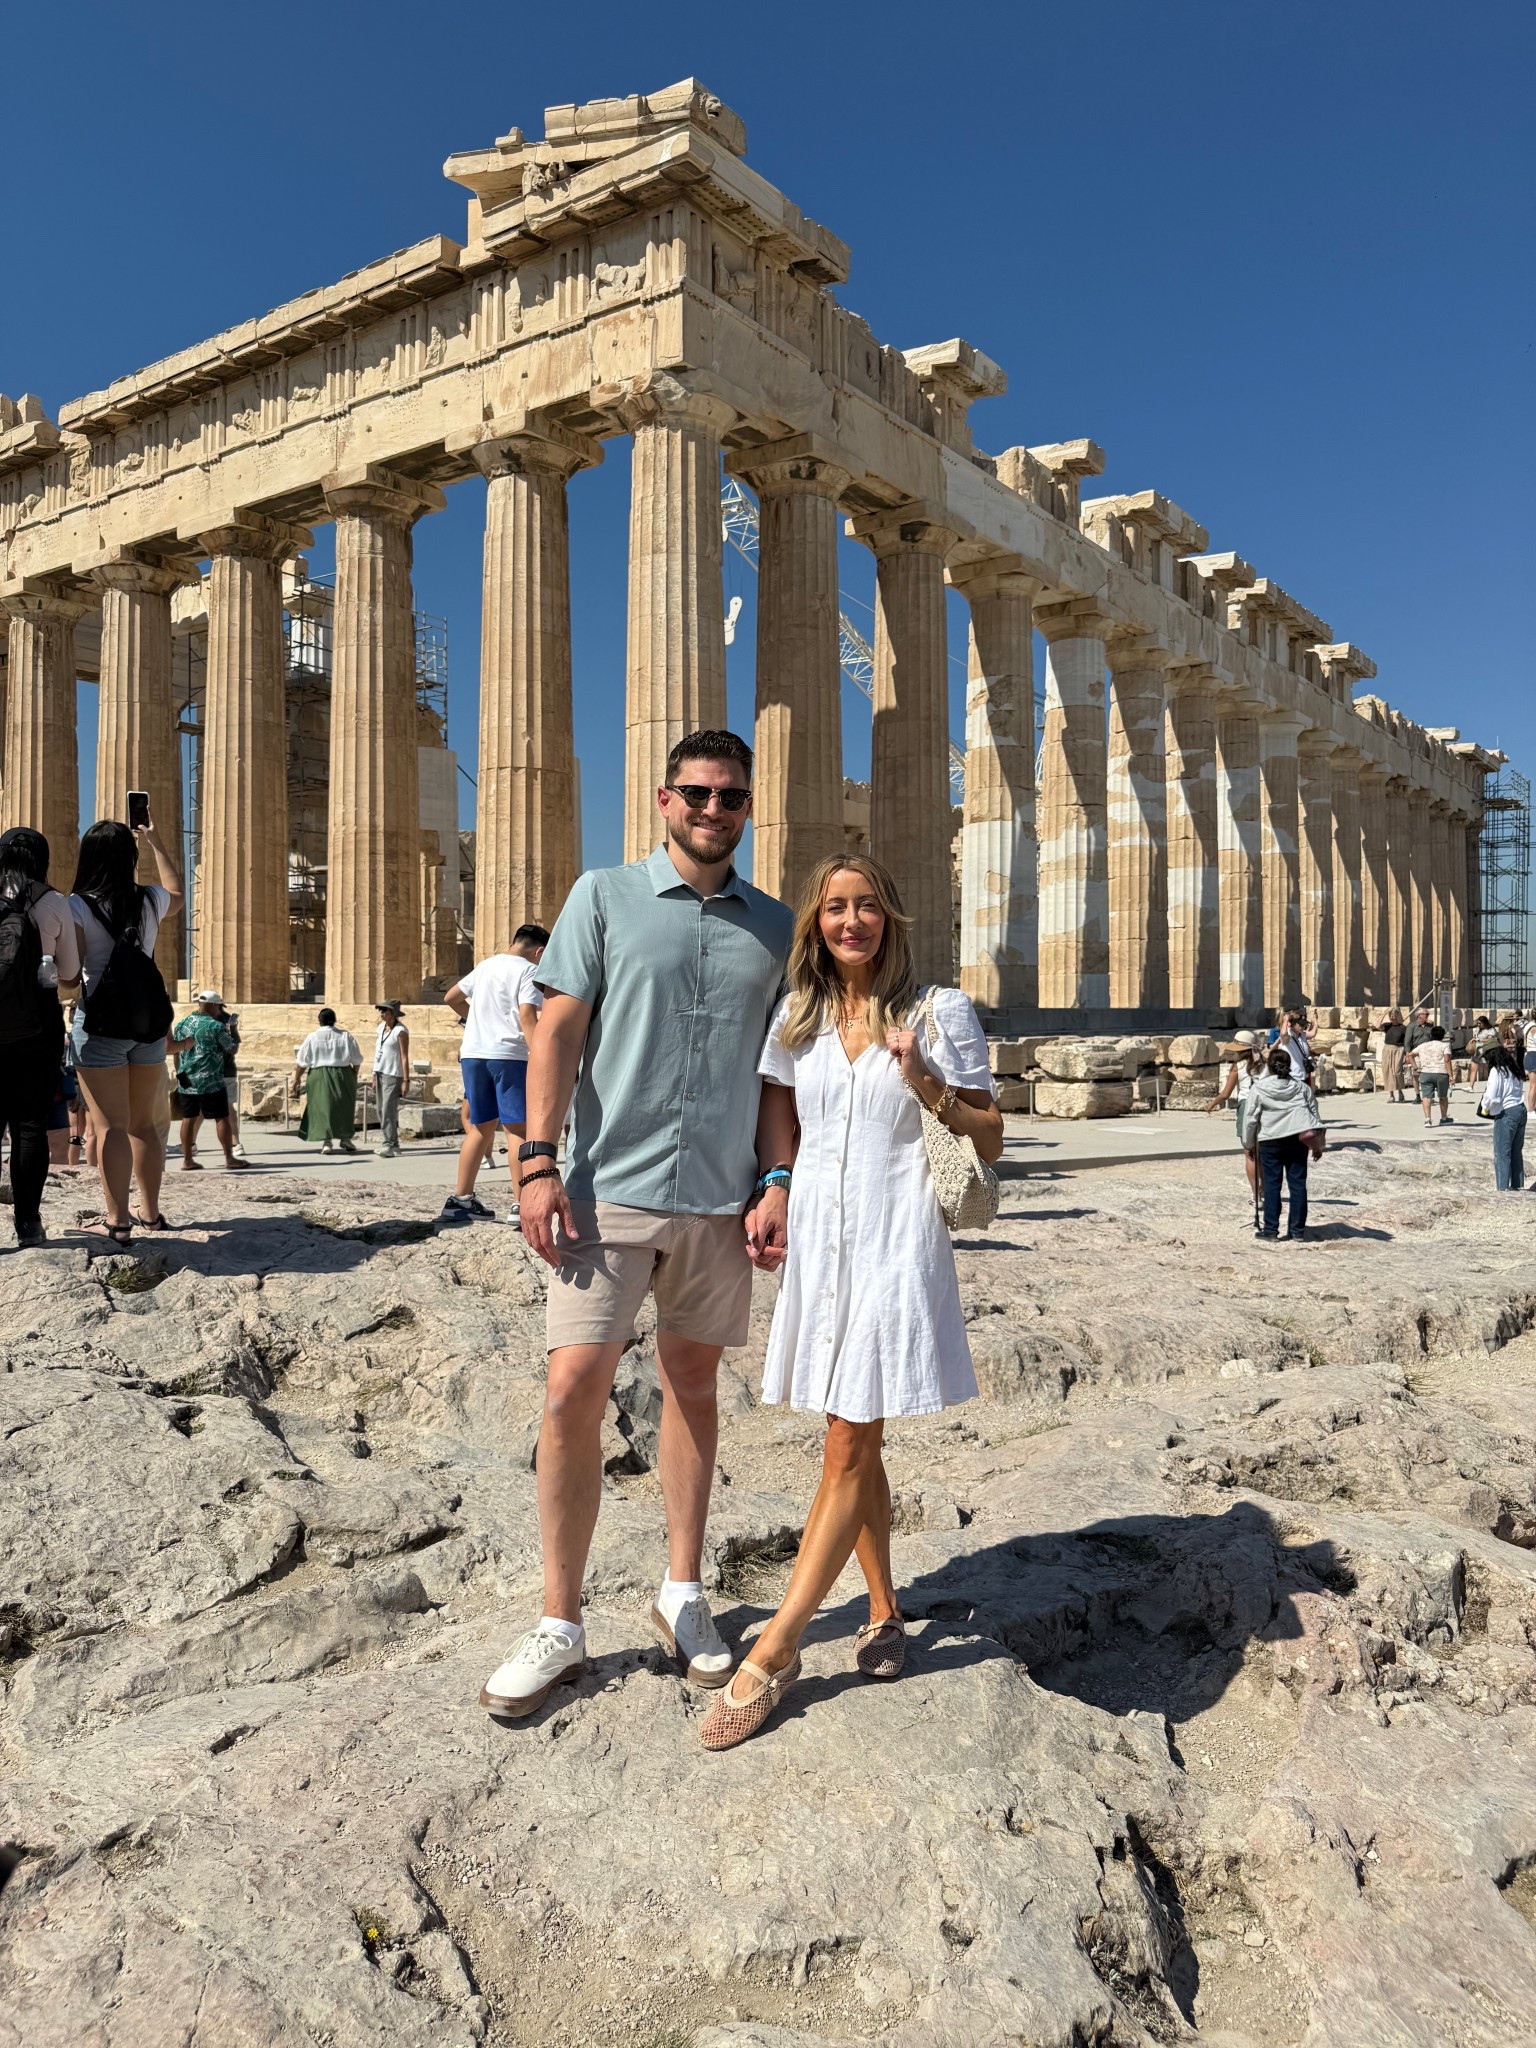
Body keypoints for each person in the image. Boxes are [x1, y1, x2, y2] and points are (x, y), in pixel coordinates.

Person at [479, 729, 793, 1722]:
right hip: (603, 1183)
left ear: (748, 806)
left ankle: (683, 1591)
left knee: (693, 1384)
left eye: (731, 796)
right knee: (572, 1386)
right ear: (664, 799)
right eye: (697, 792)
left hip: (717, 1193)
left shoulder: (775, 926)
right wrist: (534, 1157)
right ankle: (560, 1621)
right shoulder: (603, 896)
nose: (713, 808)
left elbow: (775, 1071)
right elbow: (559, 1030)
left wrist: (779, 1174)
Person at [697, 856, 1004, 1751]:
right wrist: (777, 1184)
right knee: (850, 1430)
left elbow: (992, 1133)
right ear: (817, 923)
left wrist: (928, 1084)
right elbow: (781, 1115)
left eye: (868, 904)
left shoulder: (936, 1011)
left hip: (897, 1235)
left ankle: (778, 1649)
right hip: (823, 1242)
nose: (852, 920)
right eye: (836, 907)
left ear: (892, 915)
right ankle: (881, 1607)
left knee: (848, 1436)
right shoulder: (797, 1018)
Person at [70, 814, 183, 1247]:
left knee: (111, 1127)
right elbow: (176, 892)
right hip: (147, 1025)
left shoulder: (77, 906)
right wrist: (155, 841)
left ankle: (118, 1221)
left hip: (99, 1025)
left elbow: (69, 974)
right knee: (143, 1126)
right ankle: (151, 1214)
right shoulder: (150, 900)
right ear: (130, 857)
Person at [0, 828, 81, 1248]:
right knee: (29, 1127)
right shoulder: (53, 902)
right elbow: (69, 974)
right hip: (35, 1029)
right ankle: (28, 1224)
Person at [441, 923, 549, 1226]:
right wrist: (541, 1056)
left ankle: (460, 1199)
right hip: (508, 1055)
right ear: (538, 951)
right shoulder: (528, 971)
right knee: (516, 1130)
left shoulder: (485, 965)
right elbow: (527, 1016)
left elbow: (451, 997)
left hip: (474, 1053)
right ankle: (519, 1203)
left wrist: (476, 1019)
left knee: (479, 1127)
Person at [1244, 1045, 1323, 1242]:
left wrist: (1248, 1143)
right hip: (1297, 1139)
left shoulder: (1259, 1088)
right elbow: (1314, 1114)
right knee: (1297, 1185)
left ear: (1269, 1067)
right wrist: (1317, 1144)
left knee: (1272, 1185)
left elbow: (1251, 1118)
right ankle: (1297, 1231)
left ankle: (1271, 1229)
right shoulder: (1301, 1087)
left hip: (1270, 1139)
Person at [169, 991, 244, 1171]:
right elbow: (231, 1049)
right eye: (218, 1006)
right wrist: (233, 1029)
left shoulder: (183, 1024)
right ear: (212, 1005)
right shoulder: (215, 1026)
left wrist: (180, 1072)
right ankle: (229, 1158)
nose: (219, 1011)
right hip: (211, 1080)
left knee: (188, 1118)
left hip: (187, 1079)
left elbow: (176, 1051)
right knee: (221, 1117)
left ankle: (187, 1159)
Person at [292, 1008, 362, 1153]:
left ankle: (327, 1142)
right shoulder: (345, 1036)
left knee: (322, 1107)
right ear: (334, 1020)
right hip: (343, 1072)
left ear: (320, 1021)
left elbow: (302, 1061)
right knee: (344, 1106)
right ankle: (345, 1139)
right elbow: (356, 1059)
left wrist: (297, 1078)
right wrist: (353, 1074)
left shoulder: (312, 1037)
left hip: (319, 1073)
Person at [1207, 1031, 1264, 1201]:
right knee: (1262, 1153)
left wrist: (1212, 1103)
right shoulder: (1265, 1063)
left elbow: (1226, 1094)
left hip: (1247, 1106)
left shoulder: (1237, 1066)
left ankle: (1256, 1196)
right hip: (1265, 1107)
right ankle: (1265, 1190)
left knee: (1249, 1154)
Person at [1481, 1044, 1527, 1192]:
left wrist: (1485, 1106)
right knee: (1516, 1151)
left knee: (1502, 1153)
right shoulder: (1513, 1068)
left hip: (1506, 1112)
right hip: (1520, 1108)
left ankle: (1502, 1189)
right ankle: (1517, 1185)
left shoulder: (1496, 1071)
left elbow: (1492, 1097)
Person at [372, 1001, 409, 1159]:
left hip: (393, 1073)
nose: (382, 1013)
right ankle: (392, 1143)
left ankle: (389, 1143)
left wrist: (406, 1080)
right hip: (380, 1071)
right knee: (381, 1109)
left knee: (388, 1108)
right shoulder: (380, 1029)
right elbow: (377, 1051)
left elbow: (404, 1056)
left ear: (393, 1013)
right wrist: (374, 1073)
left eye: (385, 1011)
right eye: (381, 1010)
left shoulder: (400, 1031)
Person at [1414, 1024, 1453, 1126]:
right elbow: (1447, 1060)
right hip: (1441, 1073)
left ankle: (1428, 1119)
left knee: (1426, 1096)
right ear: (1442, 1036)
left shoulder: (1423, 1045)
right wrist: (1451, 1076)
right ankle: (1444, 1118)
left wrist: (1415, 1067)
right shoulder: (1445, 1045)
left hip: (1426, 1073)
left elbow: (1409, 1055)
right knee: (1443, 1097)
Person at [1379, 1008, 1408, 1102]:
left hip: (1398, 1050)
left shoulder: (1403, 1028)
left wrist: (1405, 1054)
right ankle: (1391, 1094)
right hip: (1387, 1049)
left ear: (1398, 1016)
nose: (1392, 1017)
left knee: (1397, 1072)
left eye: (1394, 1015)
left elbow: (1405, 1042)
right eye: (1391, 1015)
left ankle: (1400, 1091)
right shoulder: (1387, 1026)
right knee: (1387, 1072)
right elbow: (1377, 1025)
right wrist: (1384, 1014)